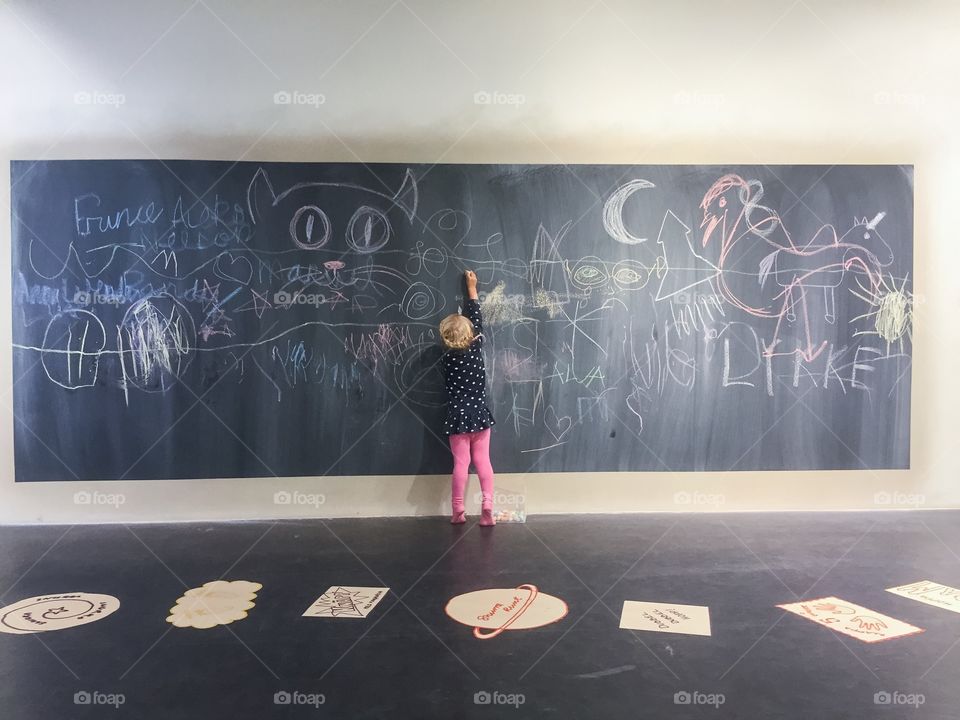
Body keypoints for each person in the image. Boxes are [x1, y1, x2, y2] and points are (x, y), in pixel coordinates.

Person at [438, 270, 497, 526]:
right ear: (471, 335)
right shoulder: (476, 348)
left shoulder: (447, 359)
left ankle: (458, 511)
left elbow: (470, 326)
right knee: (484, 462)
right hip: (480, 414)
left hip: (457, 417)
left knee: (461, 465)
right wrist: (472, 289)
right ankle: (487, 506)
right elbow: (476, 318)